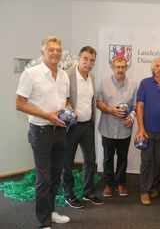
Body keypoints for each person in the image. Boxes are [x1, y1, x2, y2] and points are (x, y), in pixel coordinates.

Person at [16, 36, 71, 228]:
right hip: (40, 133)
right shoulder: (31, 74)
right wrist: (47, 115)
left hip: (60, 132)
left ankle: (52, 211)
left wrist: (70, 111)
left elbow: (66, 101)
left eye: (58, 49)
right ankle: (43, 222)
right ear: (42, 51)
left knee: (56, 175)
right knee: (44, 178)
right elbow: (20, 104)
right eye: (51, 49)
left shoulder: (64, 75)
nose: (55, 53)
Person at [61, 46, 103, 208]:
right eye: (85, 59)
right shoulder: (67, 75)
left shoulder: (91, 77)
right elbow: (62, 97)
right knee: (67, 163)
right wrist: (69, 106)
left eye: (92, 60)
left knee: (90, 161)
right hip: (71, 127)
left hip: (87, 126)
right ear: (79, 58)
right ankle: (68, 194)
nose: (88, 63)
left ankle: (88, 192)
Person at [136, 57, 160, 205]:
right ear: (153, 69)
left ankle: (153, 186)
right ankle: (144, 191)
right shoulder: (145, 83)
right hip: (147, 131)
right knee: (146, 161)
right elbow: (139, 106)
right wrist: (140, 128)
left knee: (158, 160)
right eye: (157, 66)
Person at [96, 56, 138, 198]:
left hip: (124, 129)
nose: (120, 69)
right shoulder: (104, 83)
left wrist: (132, 116)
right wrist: (110, 110)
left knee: (122, 157)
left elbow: (135, 106)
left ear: (126, 67)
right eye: (117, 67)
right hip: (107, 128)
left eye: (123, 67)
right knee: (107, 158)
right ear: (112, 67)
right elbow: (98, 102)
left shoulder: (132, 84)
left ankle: (120, 183)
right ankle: (108, 184)